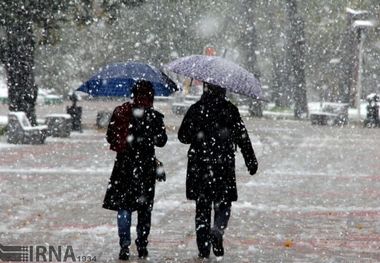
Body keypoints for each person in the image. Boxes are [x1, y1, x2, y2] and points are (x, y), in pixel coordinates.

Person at [178, 82, 258, 259]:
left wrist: (197, 132)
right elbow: (242, 136)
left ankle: (203, 249)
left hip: (200, 165)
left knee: (202, 209)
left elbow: (182, 136)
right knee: (224, 203)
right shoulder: (230, 110)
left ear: (206, 89)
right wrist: (250, 160)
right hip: (223, 165)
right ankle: (218, 230)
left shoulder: (196, 109)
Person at [102, 80, 167, 260]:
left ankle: (124, 245)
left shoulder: (121, 113)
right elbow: (162, 141)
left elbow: (110, 137)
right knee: (144, 208)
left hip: (124, 166)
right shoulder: (154, 117)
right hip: (145, 167)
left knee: (124, 206)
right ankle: (142, 245)